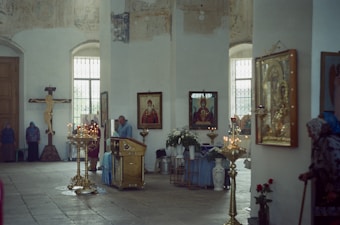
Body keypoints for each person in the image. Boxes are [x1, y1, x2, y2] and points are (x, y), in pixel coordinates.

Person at [299, 117, 340, 209]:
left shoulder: (330, 143)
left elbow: (337, 167)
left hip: (334, 193)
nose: (309, 135)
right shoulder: (318, 144)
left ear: (316, 129)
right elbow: (319, 165)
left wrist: (335, 191)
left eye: (309, 131)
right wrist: (309, 174)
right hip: (324, 189)